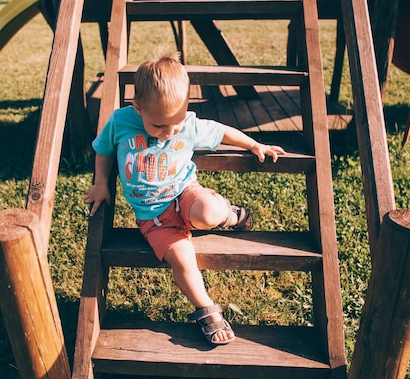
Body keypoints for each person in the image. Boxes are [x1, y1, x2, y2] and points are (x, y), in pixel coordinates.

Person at [84, 53, 286, 345]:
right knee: (182, 261)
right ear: (137, 107)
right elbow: (103, 151)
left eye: (174, 125)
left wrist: (255, 144)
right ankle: (206, 308)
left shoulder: (188, 124)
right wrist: (101, 183)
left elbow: (222, 132)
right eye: (158, 126)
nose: (168, 133)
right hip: (153, 218)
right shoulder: (120, 122)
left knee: (207, 212)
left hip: (184, 194)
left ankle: (231, 214)